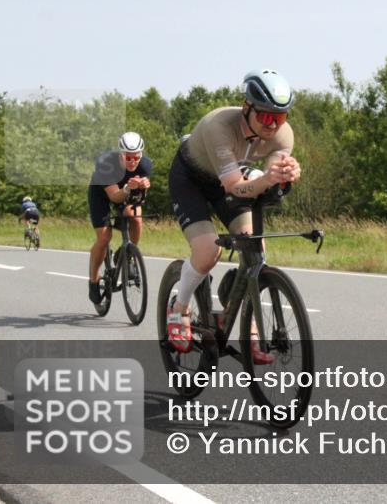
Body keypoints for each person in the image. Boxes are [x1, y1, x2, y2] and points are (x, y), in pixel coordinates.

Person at [167, 69, 301, 362]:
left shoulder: (283, 134)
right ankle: (179, 309)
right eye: (265, 116)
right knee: (207, 251)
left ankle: (244, 326)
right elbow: (236, 187)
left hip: (230, 179)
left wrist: (286, 177)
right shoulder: (219, 126)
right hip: (193, 180)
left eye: (280, 117)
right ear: (246, 108)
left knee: (255, 249)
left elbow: (272, 179)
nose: (273, 124)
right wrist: (267, 179)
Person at [87, 132, 152, 304]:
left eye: (136, 157)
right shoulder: (105, 164)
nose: (132, 162)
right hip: (103, 194)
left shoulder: (145, 165)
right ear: (120, 154)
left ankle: (127, 254)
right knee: (104, 237)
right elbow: (114, 196)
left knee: (136, 219)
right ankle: (93, 280)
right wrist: (128, 189)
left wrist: (144, 187)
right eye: (128, 157)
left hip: (126, 192)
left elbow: (139, 199)